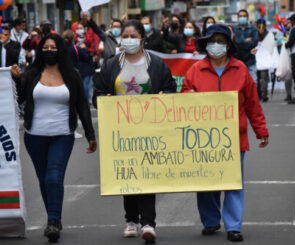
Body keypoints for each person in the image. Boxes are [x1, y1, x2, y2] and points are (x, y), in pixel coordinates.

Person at [181, 24, 269, 242]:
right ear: (206, 44)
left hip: (234, 138)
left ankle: (233, 226)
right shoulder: (195, 70)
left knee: (233, 182)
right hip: (202, 139)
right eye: (212, 40)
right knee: (206, 183)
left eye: (221, 41)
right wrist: (188, 95)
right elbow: (182, 99)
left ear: (229, 45)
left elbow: (252, 104)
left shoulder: (240, 70)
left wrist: (261, 130)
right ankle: (210, 222)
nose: (216, 45)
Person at [93, 19, 176, 243]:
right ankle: (131, 220)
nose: (128, 40)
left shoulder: (156, 64)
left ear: (142, 38)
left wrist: (164, 97)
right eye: (125, 35)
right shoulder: (111, 64)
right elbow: (97, 92)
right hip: (121, 131)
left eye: (133, 36)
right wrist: (104, 99)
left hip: (150, 130)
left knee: (147, 175)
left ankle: (148, 223)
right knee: (128, 175)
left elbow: (170, 88)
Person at [10, 33, 97, 243]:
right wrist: (16, 80)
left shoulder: (72, 75)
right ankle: (53, 218)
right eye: (45, 48)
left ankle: (53, 221)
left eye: (53, 47)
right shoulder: (32, 73)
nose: (49, 51)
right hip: (34, 136)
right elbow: (20, 98)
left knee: (53, 176)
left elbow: (82, 106)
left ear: (60, 50)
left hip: (62, 135)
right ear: (41, 51)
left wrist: (90, 135)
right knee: (43, 179)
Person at [62, 30, 95, 102]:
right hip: (74, 73)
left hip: (62, 73)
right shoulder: (76, 49)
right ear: (73, 39)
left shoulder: (60, 49)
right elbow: (86, 57)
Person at [233, 9, 259, 82]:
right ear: (237, 18)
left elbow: (254, 43)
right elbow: (235, 43)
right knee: (238, 84)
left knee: (253, 83)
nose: (242, 17)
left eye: (244, 16)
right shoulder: (234, 29)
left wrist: (240, 43)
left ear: (247, 17)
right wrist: (245, 41)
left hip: (250, 61)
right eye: (240, 16)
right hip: (238, 62)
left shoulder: (253, 29)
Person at [254, 19, 270, 102]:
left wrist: (262, 35)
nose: (260, 27)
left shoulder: (267, 34)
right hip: (255, 59)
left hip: (264, 59)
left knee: (264, 77)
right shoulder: (254, 33)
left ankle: (264, 95)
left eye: (261, 25)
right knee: (257, 78)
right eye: (258, 25)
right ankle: (258, 95)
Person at [285, 13, 295, 104]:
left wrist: (285, 45)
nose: (290, 21)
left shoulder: (294, 29)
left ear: (294, 21)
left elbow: (291, 41)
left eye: (291, 20)